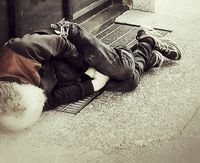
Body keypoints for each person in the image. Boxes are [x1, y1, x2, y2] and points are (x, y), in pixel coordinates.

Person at [0, 20, 181, 131]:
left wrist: (88, 69)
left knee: (123, 69)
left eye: (40, 101)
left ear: (26, 87)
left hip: (69, 42)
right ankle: (145, 49)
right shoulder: (15, 108)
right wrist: (94, 85)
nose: (43, 104)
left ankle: (134, 48)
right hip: (61, 73)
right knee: (129, 82)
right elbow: (55, 99)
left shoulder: (20, 51)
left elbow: (61, 44)